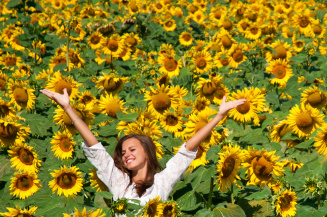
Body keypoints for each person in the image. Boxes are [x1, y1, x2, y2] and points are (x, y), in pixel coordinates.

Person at [41, 87, 246, 207]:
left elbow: (188, 149)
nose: (126, 155)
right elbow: (94, 147)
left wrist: (218, 116)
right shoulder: (118, 180)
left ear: (147, 153)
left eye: (132, 149)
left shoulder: (162, 181)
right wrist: (67, 107)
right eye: (123, 153)